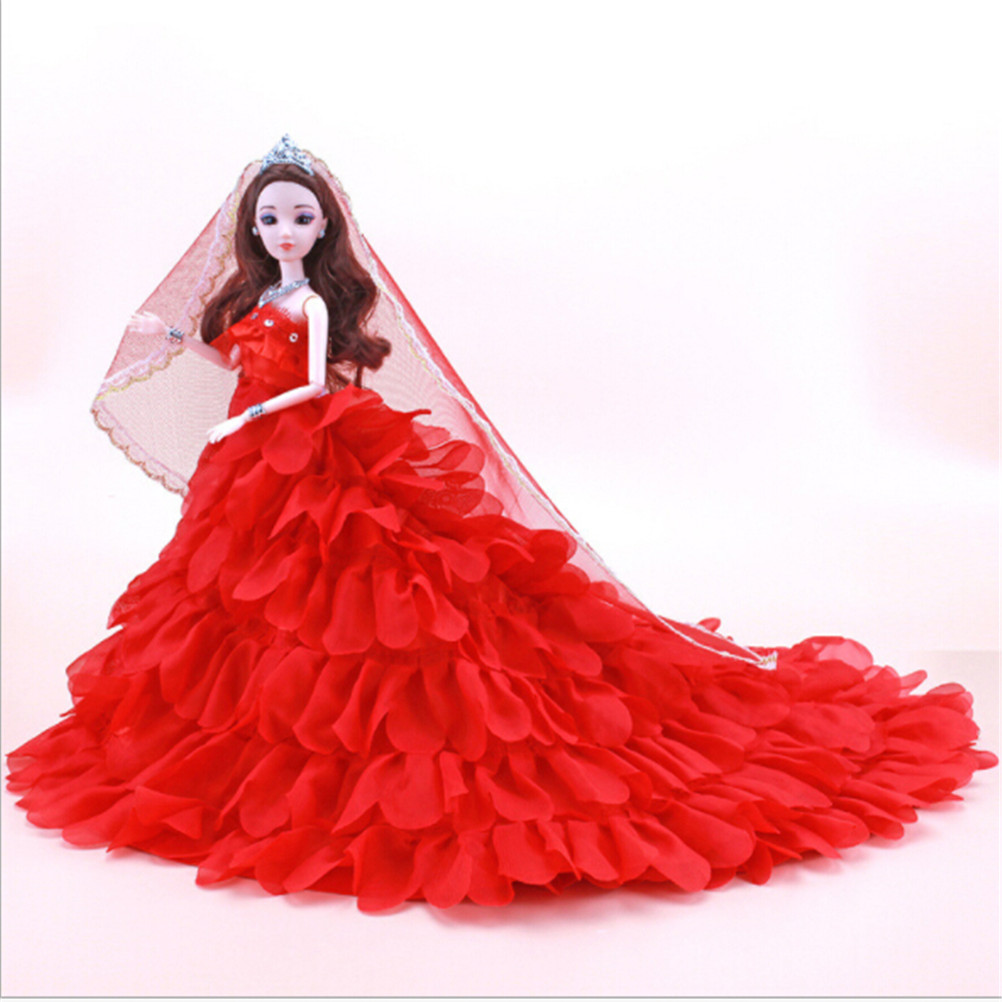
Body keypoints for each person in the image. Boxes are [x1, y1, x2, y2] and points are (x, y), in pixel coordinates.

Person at [6, 136, 997, 912]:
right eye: (271, 218)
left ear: (326, 226)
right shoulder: (265, 293)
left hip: (299, 449)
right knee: (256, 599)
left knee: (363, 590)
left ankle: (389, 743)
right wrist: (176, 339)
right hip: (258, 468)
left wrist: (243, 423)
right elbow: (239, 360)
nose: (286, 231)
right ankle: (267, 735)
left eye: (301, 217)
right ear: (251, 227)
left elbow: (305, 385)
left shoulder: (312, 304)